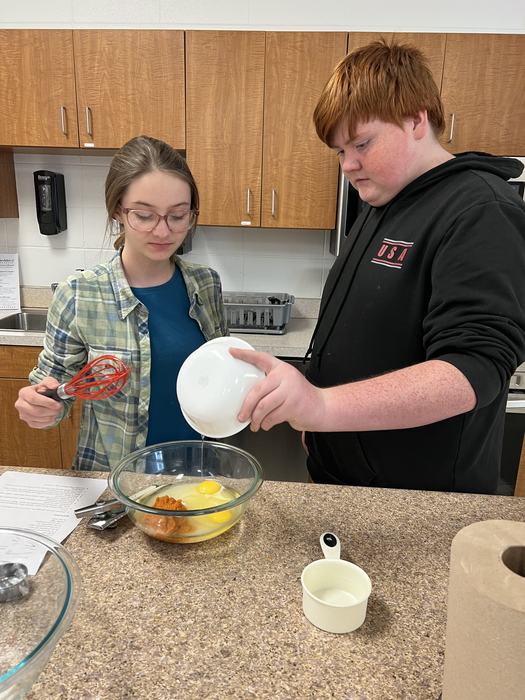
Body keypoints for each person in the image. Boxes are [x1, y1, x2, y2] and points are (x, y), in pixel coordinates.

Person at [230, 40, 525, 494]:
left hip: (416, 502)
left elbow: (473, 370)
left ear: (416, 118)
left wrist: (324, 406)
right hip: (347, 480)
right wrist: (319, 412)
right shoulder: (380, 202)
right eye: (339, 152)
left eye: (362, 143)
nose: (349, 165)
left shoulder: (479, 209)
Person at [15, 135, 228, 471]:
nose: (162, 231)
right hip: (117, 483)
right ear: (117, 210)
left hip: (195, 473)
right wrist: (40, 407)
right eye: (144, 215)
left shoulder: (206, 284)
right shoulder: (79, 294)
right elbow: (51, 393)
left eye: (177, 216)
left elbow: (218, 373)